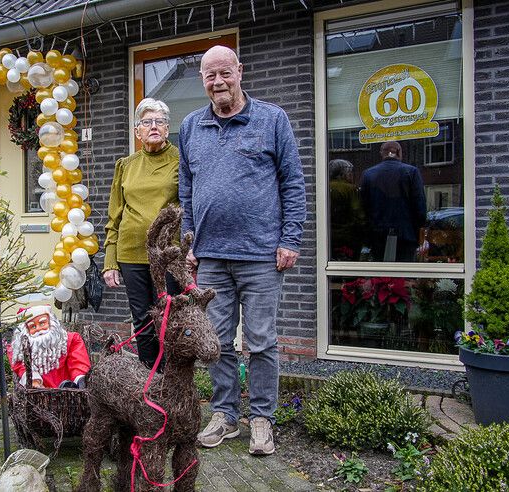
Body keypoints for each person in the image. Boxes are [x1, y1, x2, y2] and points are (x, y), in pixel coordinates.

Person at [179, 46, 306, 456]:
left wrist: (290, 238)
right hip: (211, 256)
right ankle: (225, 415)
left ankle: (262, 419)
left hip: (261, 255)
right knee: (216, 340)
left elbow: (293, 183)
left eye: (224, 73)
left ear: (239, 71)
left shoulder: (272, 119)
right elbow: (186, 189)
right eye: (209, 75)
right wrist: (190, 240)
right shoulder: (190, 127)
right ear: (202, 80)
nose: (218, 82)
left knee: (261, 340)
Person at [102, 98, 180, 370]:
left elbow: (189, 207)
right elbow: (115, 215)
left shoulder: (180, 161)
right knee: (143, 320)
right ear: (137, 131)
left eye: (159, 121)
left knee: (169, 319)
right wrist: (110, 260)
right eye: (147, 122)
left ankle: (172, 379)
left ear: (168, 129)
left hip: (167, 255)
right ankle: (150, 379)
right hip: (131, 253)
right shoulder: (126, 165)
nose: (153, 126)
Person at [360, 141, 426, 262]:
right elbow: (419, 206)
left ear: (382, 153)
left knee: (380, 276)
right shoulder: (411, 172)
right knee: (404, 276)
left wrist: (367, 235)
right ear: (399, 152)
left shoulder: (368, 174)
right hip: (406, 235)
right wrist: (418, 229)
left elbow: (364, 207)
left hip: (377, 235)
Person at [7, 305, 91, 389]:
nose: (39, 329)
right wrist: (33, 379)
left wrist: (79, 379)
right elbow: (21, 366)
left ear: (51, 322)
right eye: (33, 326)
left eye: (42, 323)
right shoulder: (19, 348)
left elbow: (78, 362)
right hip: (41, 392)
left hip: (70, 389)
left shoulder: (70, 340)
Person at [329, 159, 365, 260]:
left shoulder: (324, 186)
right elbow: (357, 213)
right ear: (343, 173)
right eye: (350, 172)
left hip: (329, 236)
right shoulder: (350, 189)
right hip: (347, 237)